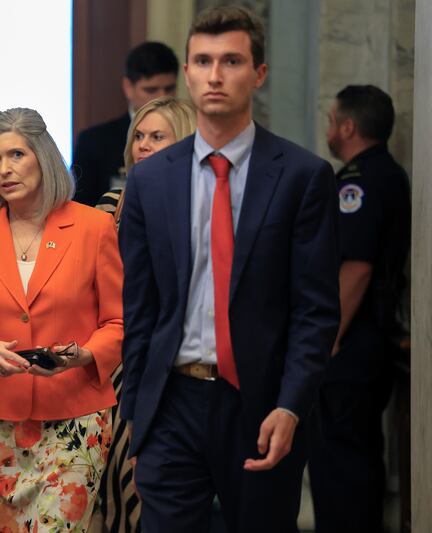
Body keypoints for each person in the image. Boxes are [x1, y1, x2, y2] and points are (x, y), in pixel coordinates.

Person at [118, 6, 340, 533]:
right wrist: (134, 413)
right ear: (188, 72)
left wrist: (291, 407)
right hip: (170, 403)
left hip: (260, 404)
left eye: (232, 60)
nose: (215, 75)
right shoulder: (151, 182)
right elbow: (140, 304)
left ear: (258, 73)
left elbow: (315, 311)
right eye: (203, 60)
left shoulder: (302, 177)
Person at [0, 108, 123, 532]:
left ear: (42, 155)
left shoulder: (93, 227)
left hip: (76, 420)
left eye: (16, 154)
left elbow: (118, 322)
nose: (4, 169)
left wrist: (85, 354)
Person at [308, 85, 411, 533]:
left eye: (332, 120)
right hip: (366, 342)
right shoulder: (385, 173)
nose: (329, 129)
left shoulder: (361, 183)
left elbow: (356, 268)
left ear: (348, 126)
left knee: (341, 463)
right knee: (350, 458)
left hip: (350, 347)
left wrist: (327, 339)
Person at [93, 96, 196, 533]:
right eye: (139, 136)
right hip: (105, 358)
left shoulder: (198, 209)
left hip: (160, 361)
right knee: (105, 488)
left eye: (158, 136)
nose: (144, 146)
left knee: (144, 487)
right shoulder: (108, 205)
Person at [72, 41, 179, 207]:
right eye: (151, 90)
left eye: (169, 89)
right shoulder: (94, 142)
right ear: (128, 87)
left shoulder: (190, 135)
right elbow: (80, 210)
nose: (162, 97)